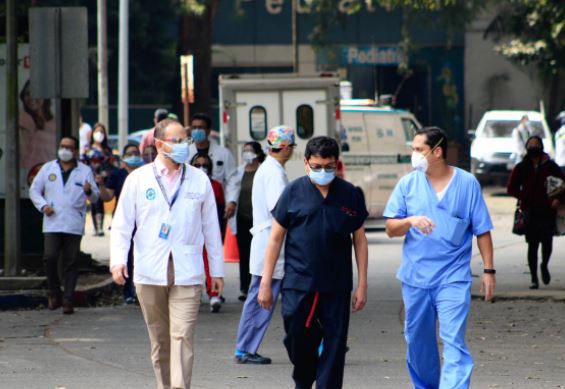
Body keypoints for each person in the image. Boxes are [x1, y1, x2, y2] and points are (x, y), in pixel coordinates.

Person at [111, 118, 224, 389]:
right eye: (177, 140)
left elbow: (211, 227)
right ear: (159, 144)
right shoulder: (138, 179)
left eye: (185, 139)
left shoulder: (199, 179)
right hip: (150, 270)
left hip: (188, 270)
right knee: (160, 340)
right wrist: (117, 261)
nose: (185, 145)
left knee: (182, 335)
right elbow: (122, 225)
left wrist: (217, 271)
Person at [383, 126, 496, 389]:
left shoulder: (467, 184)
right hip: (416, 279)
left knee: (454, 340)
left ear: (437, 152)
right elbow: (390, 228)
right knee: (418, 342)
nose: (414, 155)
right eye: (413, 149)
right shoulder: (408, 184)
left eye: (418, 150)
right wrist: (409, 220)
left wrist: (489, 271)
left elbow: (482, 230)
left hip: (453, 279)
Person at [257, 136, 369, 389]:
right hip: (298, 283)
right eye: (317, 166)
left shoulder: (349, 194)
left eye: (328, 167)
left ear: (336, 164)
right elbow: (275, 239)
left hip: (336, 285)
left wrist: (362, 284)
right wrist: (265, 282)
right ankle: (304, 377)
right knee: (298, 339)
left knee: (335, 344)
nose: (323, 172)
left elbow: (360, 241)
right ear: (307, 163)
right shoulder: (293, 192)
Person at [234, 125, 295, 365]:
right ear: (287, 147)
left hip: (270, 242)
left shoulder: (269, 169)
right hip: (271, 243)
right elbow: (280, 210)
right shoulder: (273, 172)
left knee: (297, 297)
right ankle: (245, 347)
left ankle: (317, 342)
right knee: (261, 297)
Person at [29, 136, 99, 314]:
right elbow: (34, 190)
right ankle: (54, 292)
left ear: (75, 151)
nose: (65, 150)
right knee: (50, 257)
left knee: (71, 261)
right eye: (62, 146)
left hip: (73, 222)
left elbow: (95, 196)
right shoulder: (48, 168)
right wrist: (43, 206)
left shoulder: (84, 171)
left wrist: (88, 191)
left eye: (69, 147)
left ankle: (68, 299)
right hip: (52, 221)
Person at [507, 136, 565, 289]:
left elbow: (563, 185)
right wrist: (524, 197)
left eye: (536, 145)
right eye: (530, 145)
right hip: (529, 212)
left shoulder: (551, 166)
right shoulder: (521, 167)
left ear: (541, 146)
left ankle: (544, 265)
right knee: (532, 245)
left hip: (547, 211)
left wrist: (558, 199)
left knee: (547, 243)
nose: (533, 147)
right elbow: (511, 188)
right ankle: (534, 278)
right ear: (526, 148)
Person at [98, 143, 145, 304]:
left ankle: (142, 291)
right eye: (129, 153)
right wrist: (101, 185)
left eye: (136, 153)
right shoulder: (117, 175)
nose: (133, 156)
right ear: (123, 158)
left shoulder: (147, 174)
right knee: (127, 259)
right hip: (125, 222)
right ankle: (128, 292)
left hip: (144, 223)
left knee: (141, 258)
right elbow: (107, 197)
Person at [225, 142, 266, 301]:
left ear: (257, 153)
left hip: (259, 221)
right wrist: (230, 204)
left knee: (261, 254)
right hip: (242, 219)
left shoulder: (263, 171)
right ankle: (244, 288)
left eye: (250, 150)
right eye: (244, 150)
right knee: (245, 255)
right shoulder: (238, 172)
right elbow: (232, 191)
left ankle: (261, 286)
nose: (246, 153)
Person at [190, 153, 226, 312]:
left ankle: (214, 294)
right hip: (191, 233)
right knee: (192, 265)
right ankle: (192, 296)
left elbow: (220, 211)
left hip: (209, 232)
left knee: (210, 263)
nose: (201, 168)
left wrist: (221, 232)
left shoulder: (216, 186)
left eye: (204, 165)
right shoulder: (186, 185)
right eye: (197, 165)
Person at [187, 113, 236, 191]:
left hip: (217, 198)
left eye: (200, 128)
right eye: (194, 127)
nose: (196, 130)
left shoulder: (224, 154)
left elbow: (232, 180)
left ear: (208, 131)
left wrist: (231, 201)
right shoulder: (186, 153)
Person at [83, 123, 116, 236]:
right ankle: (96, 227)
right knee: (94, 201)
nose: (99, 134)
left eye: (102, 132)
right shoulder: (88, 149)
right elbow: (84, 164)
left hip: (104, 179)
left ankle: (100, 227)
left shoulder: (107, 150)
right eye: (97, 131)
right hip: (92, 179)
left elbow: (112, 164)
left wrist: (107, 174)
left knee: (101, 200)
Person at [19, 79, 56, 169]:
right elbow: (22, 151)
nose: (31, 98)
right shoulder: (24, 119)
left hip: (51, 173)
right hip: (31, 172)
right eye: (27, 94)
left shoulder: (55, 122)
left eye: (36, 93)